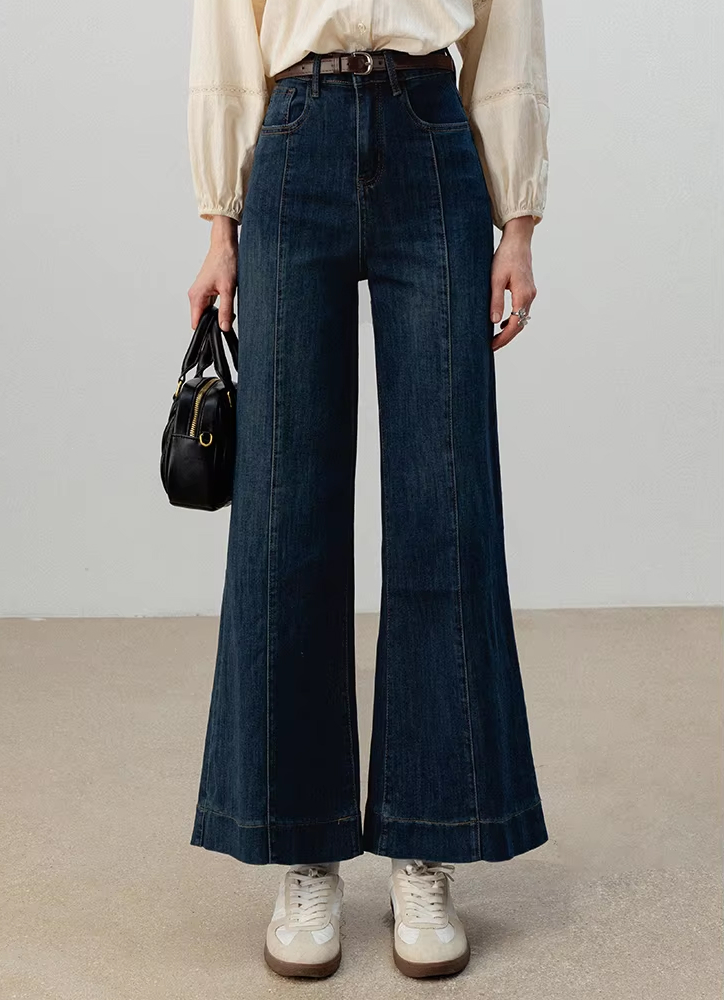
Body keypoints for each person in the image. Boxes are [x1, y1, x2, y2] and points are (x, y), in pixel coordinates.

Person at [185, 0, 550, 980]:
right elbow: (225, 33)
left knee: (446, 505)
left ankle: (428, 842)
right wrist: (218, 223)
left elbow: (508, 32)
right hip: (293, 139)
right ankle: (303, 849)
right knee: (285, 514)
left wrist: (518, 221)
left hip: (431, 134)